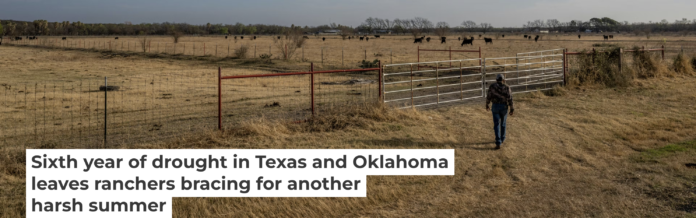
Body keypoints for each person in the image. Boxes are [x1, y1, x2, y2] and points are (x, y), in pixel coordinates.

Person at [485, 74, 514, 150]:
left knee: (496, 124)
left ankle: (498, 142)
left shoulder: (492, 86)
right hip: (504, 107)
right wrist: (511, 109)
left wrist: (487, 104)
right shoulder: (507, 87)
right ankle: (502, 138)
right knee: (503, 124)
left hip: (495, 106)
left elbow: (489, 96)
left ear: (496, 80)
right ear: (503, 80)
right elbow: (510, 98)